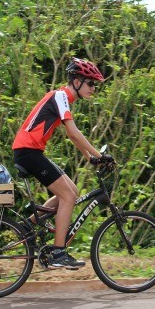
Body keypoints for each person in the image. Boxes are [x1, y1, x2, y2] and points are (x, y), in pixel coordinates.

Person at [12, 58, 110, 269]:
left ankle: (29, 225)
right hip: (28, 152)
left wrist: (90, 157)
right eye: (90, 83)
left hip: (30, 151)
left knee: (71, 191)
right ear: (76, 81)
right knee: (68, 196)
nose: (94, 88)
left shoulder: (63, 99)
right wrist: (98, 156)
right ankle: (58, 253)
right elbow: (73, 133)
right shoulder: (60, 96)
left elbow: (73, 135)